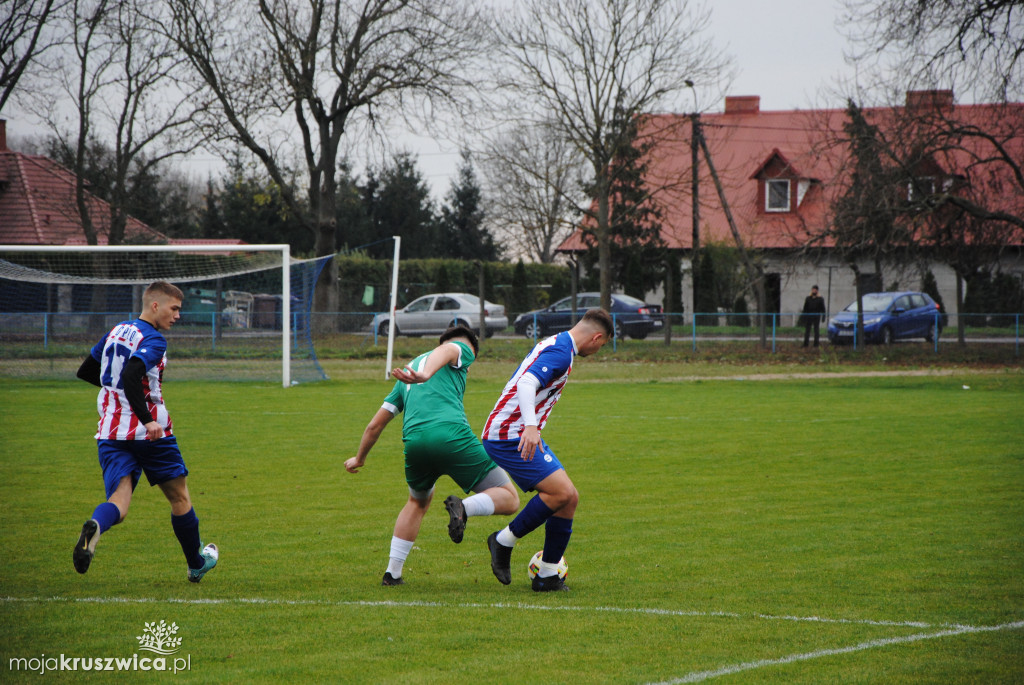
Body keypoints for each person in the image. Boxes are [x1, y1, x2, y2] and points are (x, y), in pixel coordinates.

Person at [345, 325, 519, 586]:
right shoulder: (459, 348)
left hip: (415, 445)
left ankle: (392, 574)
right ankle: (465, 508)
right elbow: (450, 349)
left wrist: (359, 458)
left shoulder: (407, 375)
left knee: (417, 502)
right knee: (510, 498)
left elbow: (375, 425)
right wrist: (427, 374)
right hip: (451, 437)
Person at [73, 281, 218, 582]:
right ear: (155, 305)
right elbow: (131, 373)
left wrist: (118, 402)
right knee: (180, 498)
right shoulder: (153, 338)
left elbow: (87, 371)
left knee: (119, 503)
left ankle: (96, 527)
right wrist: (145, 418)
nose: (178, 315)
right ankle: (196, 563)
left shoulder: (115, 331)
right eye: (174, 308)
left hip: (110, 433)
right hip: (150, 434)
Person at [481, 308, 613, 592]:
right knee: (561, 492)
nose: (597, 351)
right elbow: (528, 383)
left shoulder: (559, 343)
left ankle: (548, 576)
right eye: (600, 346)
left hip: (521, 432)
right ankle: (503, 541)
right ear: (597, 337)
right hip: (508, 435)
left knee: (570, 498)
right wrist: (530, 426)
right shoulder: (562, 352)